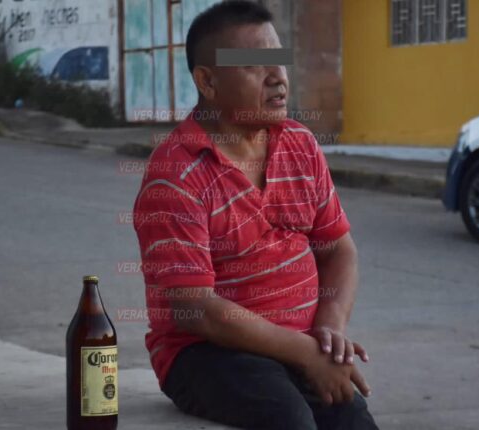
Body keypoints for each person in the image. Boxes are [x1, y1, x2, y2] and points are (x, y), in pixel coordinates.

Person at [132, 1, 379, 429]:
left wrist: (329, 333)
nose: (278, 77)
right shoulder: (175, 175)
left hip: (295, 345)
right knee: (288, 416)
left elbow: (338, 249)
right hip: (203, 353)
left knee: (352, 419)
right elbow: (197, 310)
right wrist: (305, 354)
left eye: (279, 61)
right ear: (207, 81)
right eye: (254, 65)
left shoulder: (299, 144)